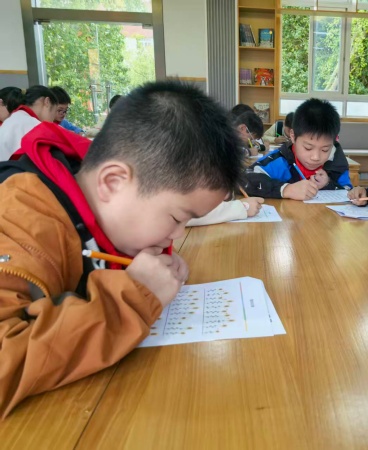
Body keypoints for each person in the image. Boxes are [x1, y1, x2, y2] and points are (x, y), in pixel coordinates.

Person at [0, 80, 244, 417]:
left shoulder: (102, 214)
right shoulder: (19, 218)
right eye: (177, 217)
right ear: (112, 182)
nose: (177, 235)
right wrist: (134, 296)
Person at [244, 98, 351, 200]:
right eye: (308, 148)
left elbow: (347, 191)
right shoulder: (280, 161)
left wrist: (328, 184)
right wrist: (286, 189)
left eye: (325, 150)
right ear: (293, 136)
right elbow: (243, 180)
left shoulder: (336, 163)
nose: (316, 157)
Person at [0, 85, 58, 161]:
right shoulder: (32, 124)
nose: (52, 120)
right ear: (47, 102)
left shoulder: (16, 118)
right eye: (54, 112)